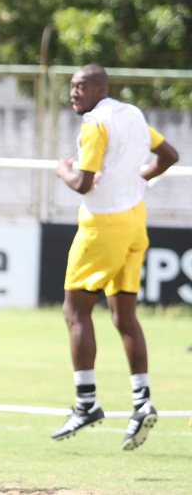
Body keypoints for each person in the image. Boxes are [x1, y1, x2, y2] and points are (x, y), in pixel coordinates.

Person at [52, 64, 179, 450]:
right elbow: (168, 155)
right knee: (124, 315)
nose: (74, 92)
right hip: (134, 222)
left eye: (81, 86)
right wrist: (139, 179)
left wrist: (63, 170)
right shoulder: (133, 115)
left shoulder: (95, 123)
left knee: (75, 311)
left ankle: (86, 403)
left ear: (99, 89)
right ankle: (142, 402)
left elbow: (83, 183)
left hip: (102, 227)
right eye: (72, 86)